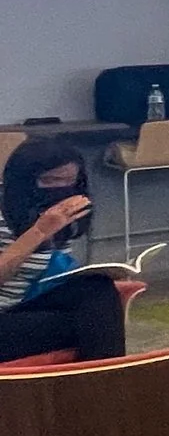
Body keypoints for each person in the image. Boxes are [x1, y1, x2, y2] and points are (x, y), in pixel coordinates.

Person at [0, 139, 127, 364]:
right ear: (25, 181)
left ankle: (107, 384)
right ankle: (104, 385)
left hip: (22, 305)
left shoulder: (57, 208)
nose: (62, 190)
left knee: (98, 289)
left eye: (70, 182)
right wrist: (38, 232)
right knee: (93, 325)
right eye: (52, 181)